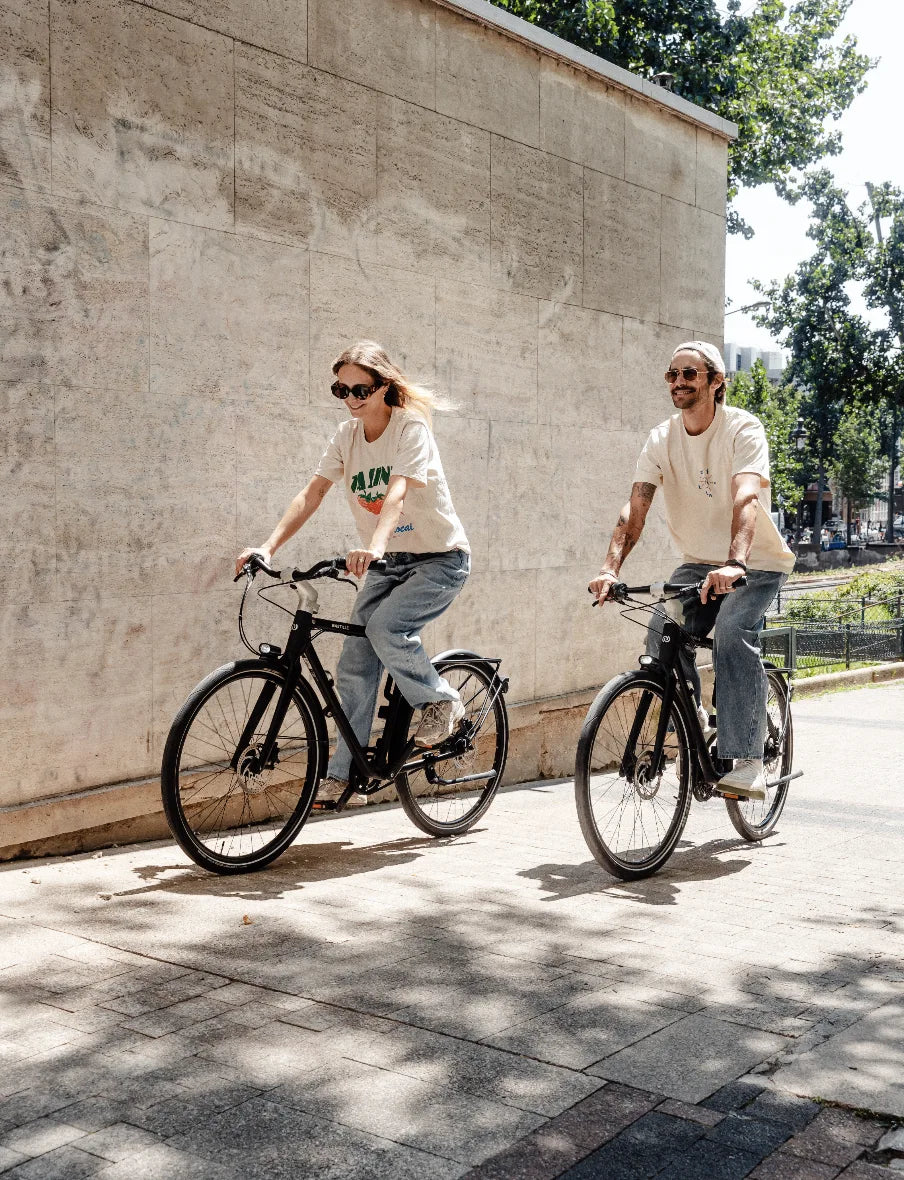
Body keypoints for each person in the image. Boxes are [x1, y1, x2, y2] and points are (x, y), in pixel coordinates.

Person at [236, 341, 470, 807]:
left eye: (360, 388)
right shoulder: (346, 436)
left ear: (384, 386)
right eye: (341, 388)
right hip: (386, 564)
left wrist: (376, 545)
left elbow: (398, 491)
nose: (351, 397)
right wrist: (267, 545)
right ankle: (345, 775)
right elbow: (313, 492)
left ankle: (441, 701)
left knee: (387, 629)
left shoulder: (411, 429)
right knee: (355, 664)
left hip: (439, 559)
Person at [588, 341, 795, 800]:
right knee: (662, 627)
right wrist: (608, 568)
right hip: (698, 564)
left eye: (689, 374)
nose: (678, 382)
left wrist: (736, 562)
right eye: (671, 375)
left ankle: (748, 759)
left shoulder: (742, 428)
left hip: (755, 563)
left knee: (732, 632)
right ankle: (693, 720)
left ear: (715, 382)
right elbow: (635, 507)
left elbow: (746, 497)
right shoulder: (661, 438)